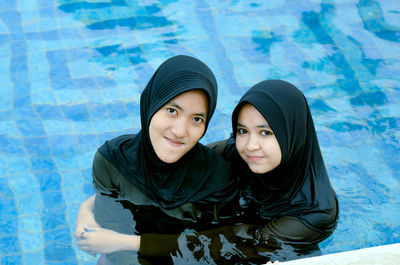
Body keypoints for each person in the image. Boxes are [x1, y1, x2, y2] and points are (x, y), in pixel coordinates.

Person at [135, 79, 338, 264]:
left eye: (265, 132)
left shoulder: (314, 211)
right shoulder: (236, 155)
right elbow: (183, 161)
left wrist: (131, 242)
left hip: (266, 250)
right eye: (243, 131)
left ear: (293, 134)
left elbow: (230, 244)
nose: (250, 146)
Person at [74, 55, 238, 264]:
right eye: (172, 111)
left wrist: (131, 242)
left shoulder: (217, 178)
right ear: (151, 105)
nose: (180, 131)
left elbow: (214, 249)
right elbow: (111, 236)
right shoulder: (112, 161)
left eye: (197, 119)